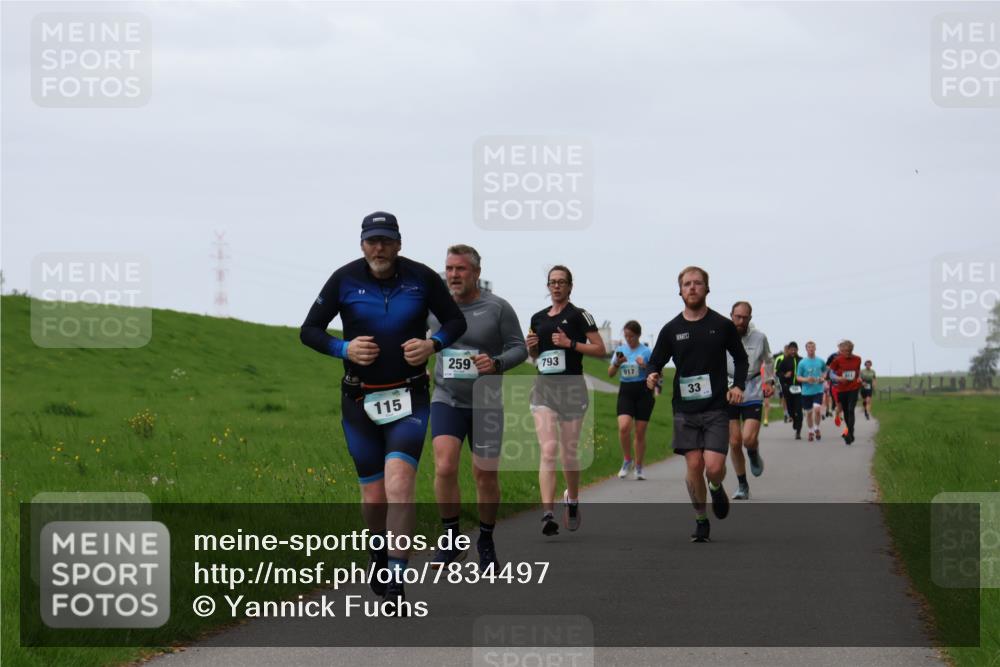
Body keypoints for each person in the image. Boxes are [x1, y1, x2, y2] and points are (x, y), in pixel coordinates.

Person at [299, 212, 467, 613]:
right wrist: (343, 348)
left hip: (409, 397)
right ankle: (378, 555)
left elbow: (455, 320)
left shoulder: (423, 278)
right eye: (372, 241)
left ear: (399, 243)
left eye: (386, 240)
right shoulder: (344, 279)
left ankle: (396, 579)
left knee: (400, 483)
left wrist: (433, 345)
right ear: (362, 244)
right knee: (374, 496)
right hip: (359, 400)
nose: (379, 248)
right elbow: (309, 330)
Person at [428, 245, 527, 571]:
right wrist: (421, 361)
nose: (453, 275)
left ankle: (485, 539)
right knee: (444, 466)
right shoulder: (435, 308)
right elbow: (419, 339)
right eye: (449, 269)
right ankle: (451, 539)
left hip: (486, 403)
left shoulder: (498, 308)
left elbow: (519, 349)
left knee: (484, 475)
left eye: (461, 269)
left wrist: (496, 363)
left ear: (476, 273)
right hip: (447, 398)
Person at [646, 266, 748, 542]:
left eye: (698, 283)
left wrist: (738, 385)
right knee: (693, 464)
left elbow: (740, 359)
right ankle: (701, 519)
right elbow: (656, 360)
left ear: (707, 289)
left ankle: (716, 486)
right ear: (680, 291)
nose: (692, 288)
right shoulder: (671, 329)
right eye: (687, 284)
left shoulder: (722, 325)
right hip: (685, 409)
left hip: (716, 407)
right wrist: (652, 373)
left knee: (713, 467)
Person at [526, 266, 606, 535]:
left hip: (572, 390)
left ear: (570, 286)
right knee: (548, 450)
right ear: (547, 286)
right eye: (552, 282)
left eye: (561, 282)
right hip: (544, 390)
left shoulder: (580, 315)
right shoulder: (537, 318)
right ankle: (548, 513)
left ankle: (572, 499)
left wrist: (570, 344)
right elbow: (538, 356)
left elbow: (600, 349)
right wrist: (532, 348)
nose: (556, 286)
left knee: (569, 454)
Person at [726, 301, 773, 500]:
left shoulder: (760, 337)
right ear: (731, 316)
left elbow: (768, 360)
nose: (741, 320)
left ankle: (753, 452)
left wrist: (769, 381)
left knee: (748, 439)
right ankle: (742, 484)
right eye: (737, 316)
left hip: (752, 388)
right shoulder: (721, 337)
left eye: (745, 317)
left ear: (750, 318)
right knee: (735, 442)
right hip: (728, 389)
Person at [608, 320, 655, 480]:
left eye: (632, 336)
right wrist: (616, 363)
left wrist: (644, 366)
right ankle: (627, 459)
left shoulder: (646, 351)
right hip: (626, 391)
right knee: (623, 427)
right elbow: (610, 373)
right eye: (626, 336)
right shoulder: (620, 350)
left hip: (643, 392)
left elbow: (656, 373)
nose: (629, 339)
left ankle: (639, 467)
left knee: (640, 432)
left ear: (638, 335)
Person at [829, 340, 863, 444]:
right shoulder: (837, 360)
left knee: (850, 409)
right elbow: (830, 374)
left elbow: (857, 371)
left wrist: (859, 378)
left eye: (848, 351)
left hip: (853, 388)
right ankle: (849, 430)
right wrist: (839, 378)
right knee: (846, 411)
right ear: (841, 350)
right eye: (844, 351)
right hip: (841, 389)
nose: (846, 353)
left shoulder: (858, 359)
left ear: (851, 350)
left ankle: (850, 434)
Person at [796, 341, 827, 442]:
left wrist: (823, 378)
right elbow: (798, 377)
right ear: (806, 349)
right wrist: (806, 380)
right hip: (806, 392)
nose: (811, 349)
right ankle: (810, 431)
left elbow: (825, 371)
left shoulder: (820, 361)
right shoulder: (802, 363)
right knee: (809, 413)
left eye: (813, 347)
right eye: (809, 347)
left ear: (815, 348)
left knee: (817, 410)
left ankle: (817, 428)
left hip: (818, 390)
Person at [776, 342, 803, 439]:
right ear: (788, 350)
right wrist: (784, 375)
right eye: (791, 349)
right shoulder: (785, 360)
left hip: (800, 389)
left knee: (799, 410)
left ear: (797, 350)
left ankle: (798, 432)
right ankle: (794, 419)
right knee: (791, 409)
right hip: (788, 388)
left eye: (794, 349)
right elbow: (778, 373)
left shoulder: (801, 360)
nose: (793, 351)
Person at [773, 346, 788, 422]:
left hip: (791, 381)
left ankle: (791, 413)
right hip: (781, 380)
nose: (787, 352)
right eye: (786, 350)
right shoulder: (779, 358)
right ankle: (785, 414)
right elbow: (775, 370)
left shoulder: (792, 358)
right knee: (784, 397)